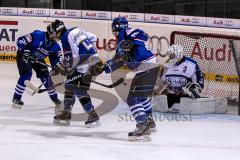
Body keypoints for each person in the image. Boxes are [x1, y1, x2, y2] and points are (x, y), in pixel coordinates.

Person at [104, 16, 160, 141]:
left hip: (146, 65)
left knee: (132, 98)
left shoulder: (127, 33)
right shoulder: (121, 40)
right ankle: (149, 122)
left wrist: (134, 46)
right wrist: (108, 66)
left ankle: (142, 126)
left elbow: (142, 35)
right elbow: (120, 59)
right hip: (150, 66)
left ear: (114, 29)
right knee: (141, 97)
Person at [48, 19, 102, 127]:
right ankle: (66, 113)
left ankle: (93, 116)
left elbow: (69, 60)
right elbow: (93, 37)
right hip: (91, 61)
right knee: (69, 84)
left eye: (53, 33)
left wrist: (60, 69)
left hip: (85, 63)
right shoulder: (76, 30)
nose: (53, 36)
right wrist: (94, 55)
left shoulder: (64, 38)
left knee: (79, 90)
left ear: (57, 31)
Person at [12, 28, 62, 109]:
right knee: (26, 75)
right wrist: (25, 51)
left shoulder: (56, 47)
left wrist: (56, 67)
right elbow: (19, 41)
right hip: (24, 56)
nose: (57, 37)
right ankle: (16, 98)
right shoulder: (37, 35)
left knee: (46, 77)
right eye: (55, 35)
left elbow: (56, 60)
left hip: (38, 59)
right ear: (50, 33)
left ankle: (55, 99)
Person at [161, 44, 204, 111]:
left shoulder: (191, 64)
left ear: (179, 54)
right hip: (172, 95)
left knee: (191, 87)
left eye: (172, 55)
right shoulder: (166, 65)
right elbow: (161, 80)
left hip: (186, 96)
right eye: (170, 55)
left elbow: (200, 81)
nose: (170, 57)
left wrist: (193, 89)